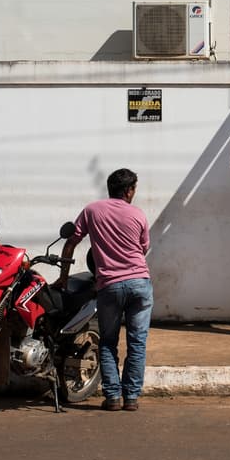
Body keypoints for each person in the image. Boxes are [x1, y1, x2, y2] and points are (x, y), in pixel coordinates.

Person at [59, 168, 152, 412]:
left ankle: (112, 397)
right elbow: (143, 249)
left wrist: (63, 277)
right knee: (137, 343)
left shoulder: (92, 210)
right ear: (129, 191)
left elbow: (71, 242)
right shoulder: (138, 215)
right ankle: (131, 397)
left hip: (109, 286)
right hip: (139, 283)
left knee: (108, 342)